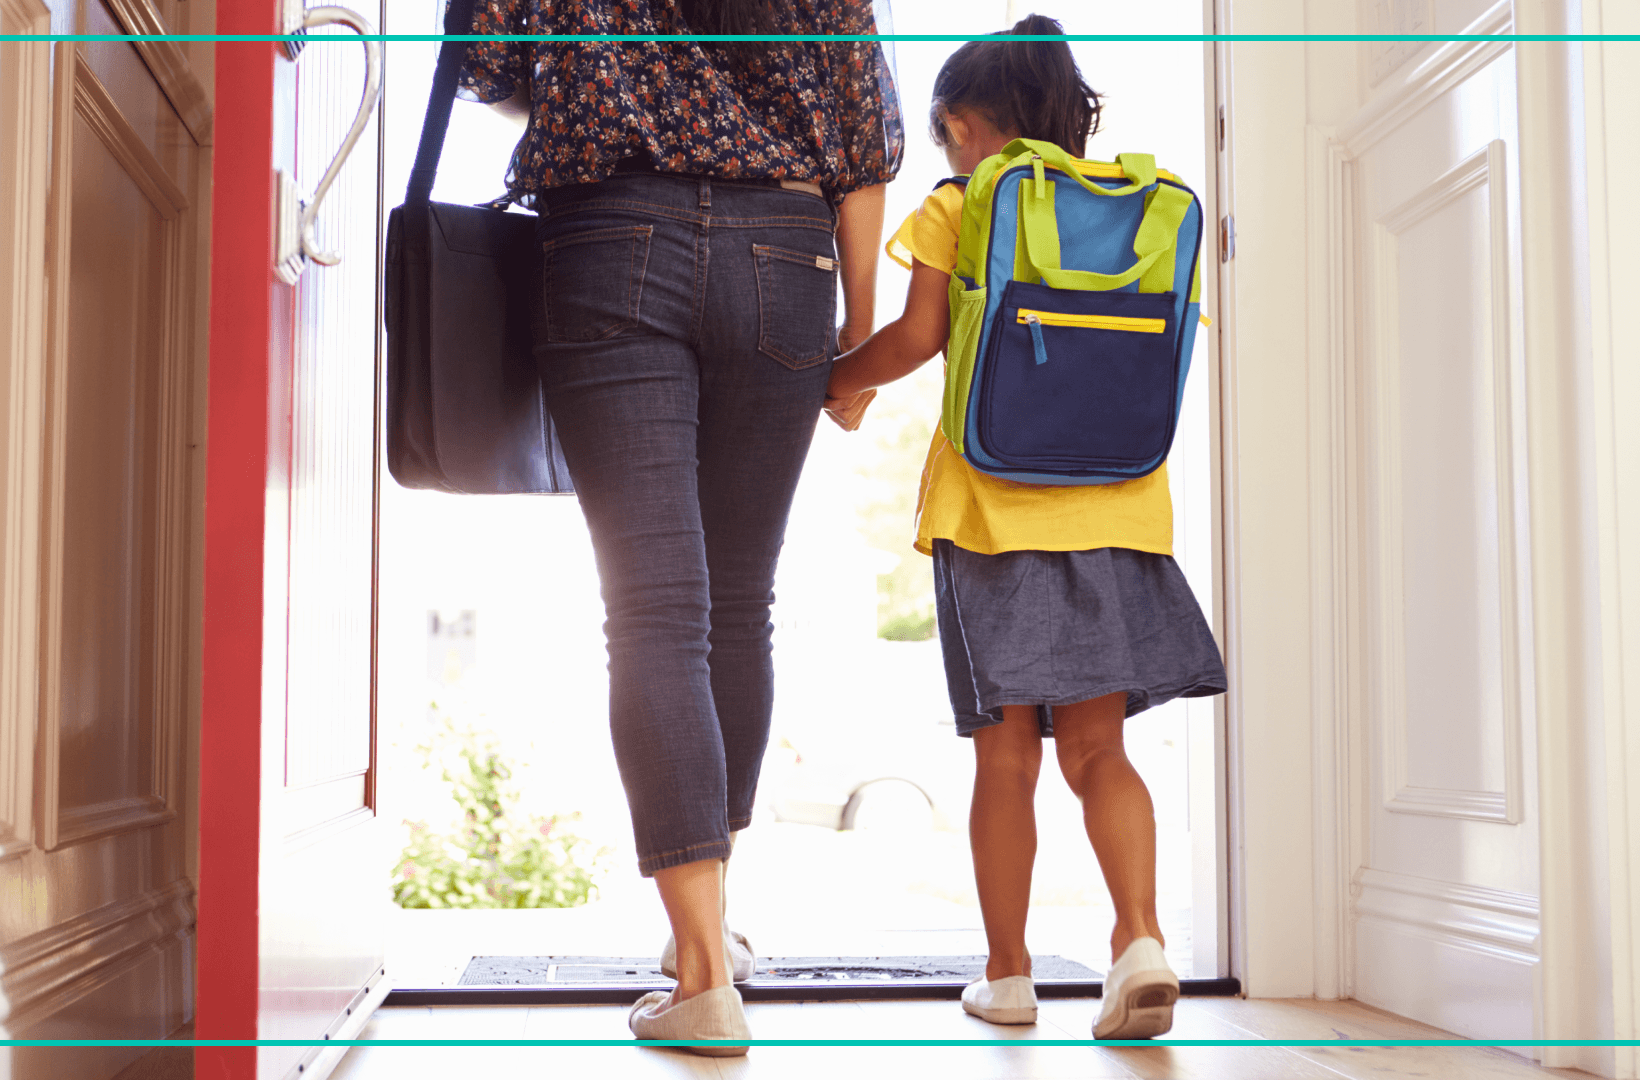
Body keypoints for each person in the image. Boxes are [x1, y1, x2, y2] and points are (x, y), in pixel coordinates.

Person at [457, 0, 903, 1054]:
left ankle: (701, 965)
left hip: (611, 236)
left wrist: (593, 81)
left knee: (657, 613)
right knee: (739, 607)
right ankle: (709, 938)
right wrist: (859, 324)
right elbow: (864, 135)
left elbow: (484, 63)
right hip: (788, 258)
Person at [822, 14, 1228, 1040]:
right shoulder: (1139, 208)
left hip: (992, 513)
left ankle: (1007, 977)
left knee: (1005, 760)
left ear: (961, 122)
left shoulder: (963, 201)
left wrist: (840, 385)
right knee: (1100, 752)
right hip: (1121, 506)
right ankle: (1140, 940)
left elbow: (916, 337)